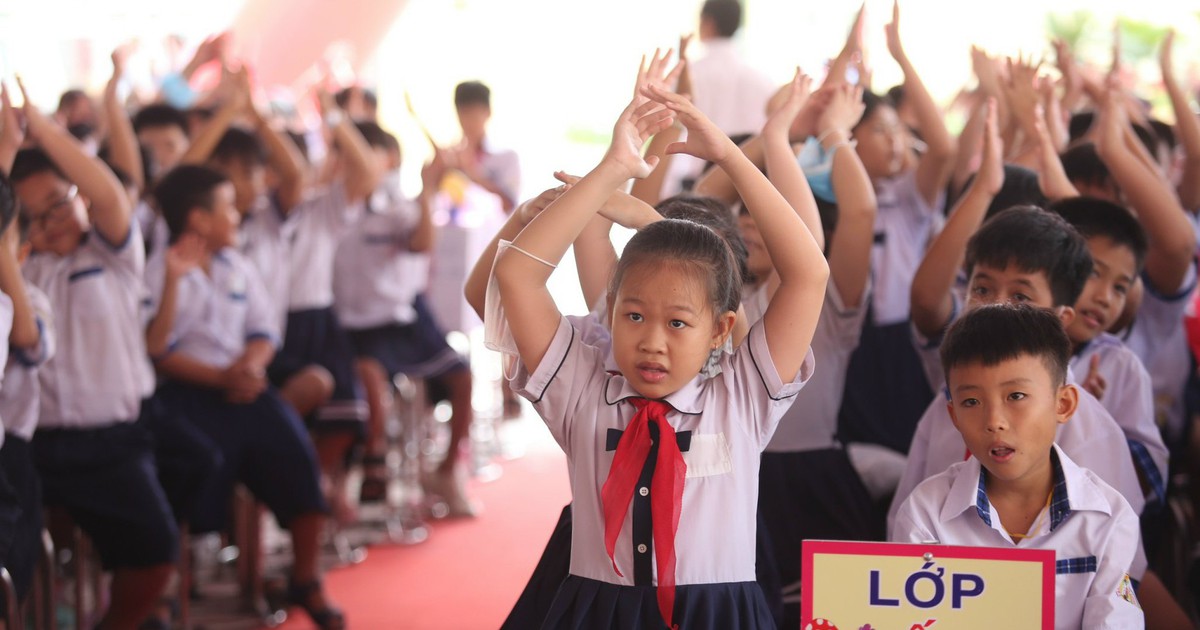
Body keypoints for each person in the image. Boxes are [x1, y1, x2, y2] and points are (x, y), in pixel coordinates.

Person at [495, 55, 828, 628]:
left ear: (721, 328)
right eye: (633, 317)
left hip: (719, 613)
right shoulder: (580, 389)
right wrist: (612, 166)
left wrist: (729, 153)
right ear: (610, 311)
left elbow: (809, 273)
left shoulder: (742, 394)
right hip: (596, 611)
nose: (652, 341)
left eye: (677, 323)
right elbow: (518, 275)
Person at [145, 164, 343, 629]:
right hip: (186, 393)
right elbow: (158, 351)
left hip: (243, 386)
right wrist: (217, 377)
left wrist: (251, 365)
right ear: (198, 219)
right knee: (193, 464)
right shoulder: (159, 269)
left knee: (295, 452)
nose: (238, 216)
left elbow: (264, 330)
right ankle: (166, 591)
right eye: (228, 208)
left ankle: (305, 578)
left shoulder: (237, 264)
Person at [11, 78, 177, 630]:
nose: (52, 221)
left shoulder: (112, 250)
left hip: (110, 443)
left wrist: (41, 128)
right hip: (35, 445)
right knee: (30, 554)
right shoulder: (20, 271)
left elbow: (107, 192)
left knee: (155, 551)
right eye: (33, 216)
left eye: (59, 203)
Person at [892, 304, 1144, 628]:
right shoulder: (925, 514)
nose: (994, 422)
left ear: (1063, 404)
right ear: (953, 416)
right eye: (971, 402)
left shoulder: (1107, 518)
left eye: (1016, 396)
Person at [753, 77, 879, 629]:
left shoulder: (828, 299)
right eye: (748, 212)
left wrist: (831, 133)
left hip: (816, 483)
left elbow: (861, 213)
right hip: (734, 477)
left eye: (772, 217)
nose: (754, 225)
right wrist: (771, 136)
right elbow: (695, 206)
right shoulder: (715, 301)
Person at [332, 122, 479, 516]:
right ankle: (370, 467)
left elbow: (422, 242)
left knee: (462, 376)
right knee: (369, 378)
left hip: (403, 319)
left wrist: (428, 190)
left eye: (367, 153)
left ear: (390, 160)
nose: (356, 162)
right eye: (346, 154)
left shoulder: (397, 205)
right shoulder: (332, 207)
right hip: (353, 327)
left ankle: (447, 471)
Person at [1051, 197, 1168, 507]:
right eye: (1092, 272)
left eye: (1120, 287)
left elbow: (1147, 476)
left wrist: (1091, 419)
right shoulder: (1006, 347)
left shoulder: (1122, 367)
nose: (1104, 297)